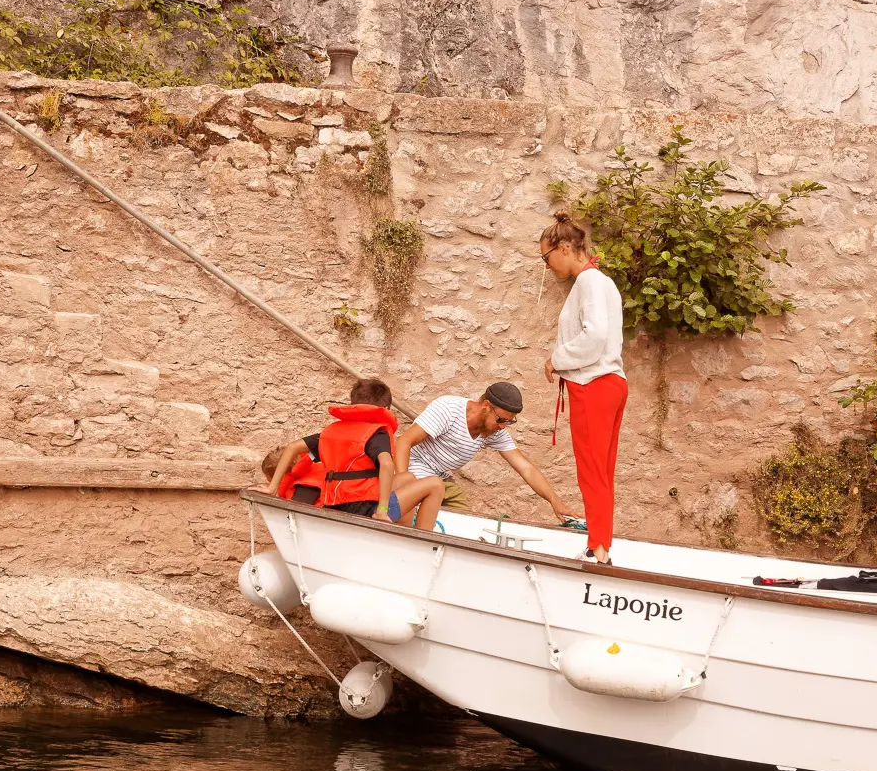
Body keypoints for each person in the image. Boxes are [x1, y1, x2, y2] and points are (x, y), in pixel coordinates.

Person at [540, 217, 627, 564]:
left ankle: (599, 549)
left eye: (546, 258)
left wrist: (556, 359)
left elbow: (594, 336)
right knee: (601, 471)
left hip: (592, 383)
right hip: (609, 383)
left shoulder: (588, 282)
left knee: (591, 470)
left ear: (564, 248)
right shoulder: (600, 282)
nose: (547, 267)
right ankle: (600, 544)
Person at [389, 382, 574, 532]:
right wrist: (403, 479)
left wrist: (555, 501)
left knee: (466, 525)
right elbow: (405, 441)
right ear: (486, 406)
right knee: (421, 523)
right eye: (501, 420)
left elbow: (525, 468)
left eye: (510, 422)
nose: (503, 426)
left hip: (441, 477)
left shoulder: (494, 431)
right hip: (415, 467)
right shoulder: (449, 409)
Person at [267, 378, 399, 519]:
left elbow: (292, 447)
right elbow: (386, 464)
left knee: (405, 479)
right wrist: (382, 510)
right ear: (385, 409)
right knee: (420, 483)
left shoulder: (332, 431)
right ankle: (402, 535)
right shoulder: (378, 433)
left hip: (334, 503)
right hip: (365, 507)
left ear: (352, 404)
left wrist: (272, 488)